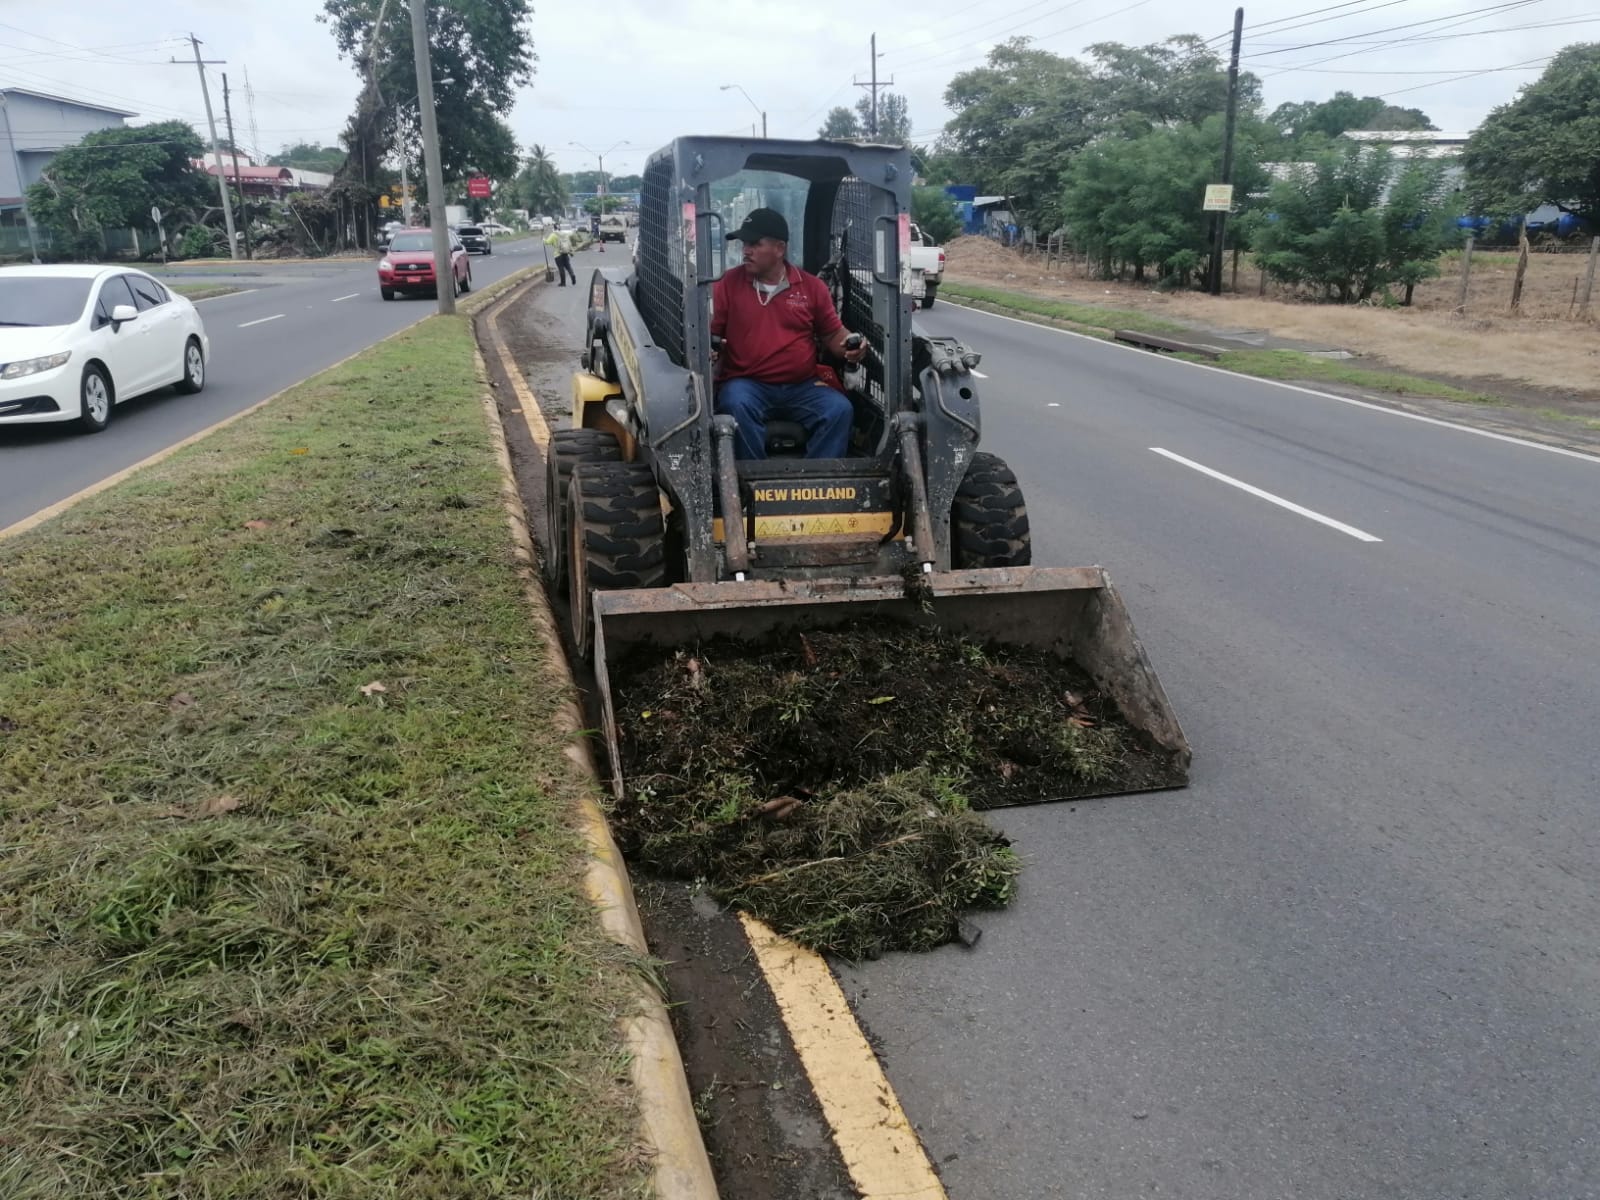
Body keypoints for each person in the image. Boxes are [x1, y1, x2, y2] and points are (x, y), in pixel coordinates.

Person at [711, 208, 868, 460]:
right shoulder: (727, 284)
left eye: (754, 244)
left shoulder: (811, 288)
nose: (745, 251)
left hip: (802, 386)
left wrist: (854, 346)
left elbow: (832, 334)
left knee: (839, 409)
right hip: (747, 384)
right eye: (744, 244)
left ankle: (816, 487)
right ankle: (750, 486)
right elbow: (712, 334)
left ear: (779, 248)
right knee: (734, 404)